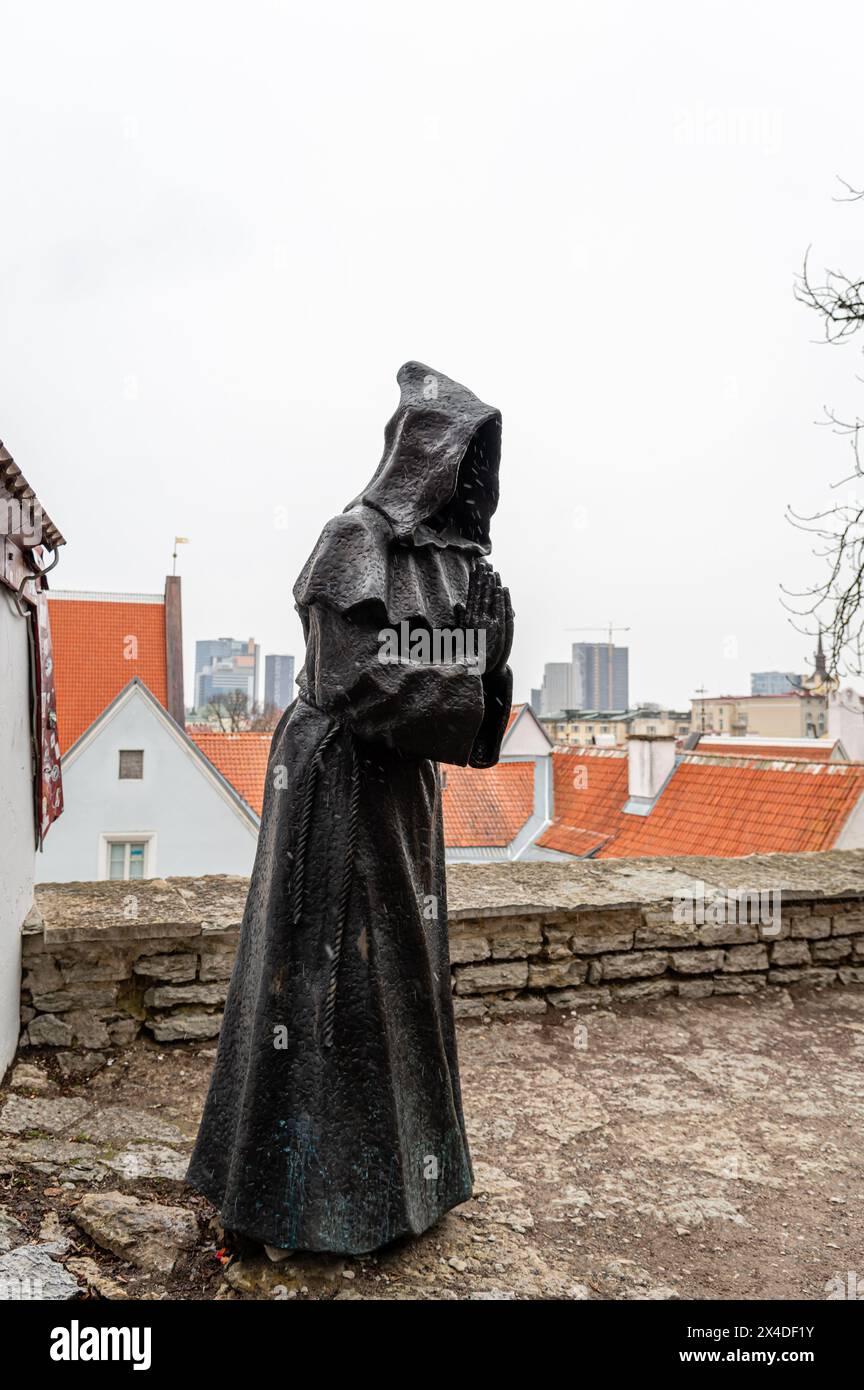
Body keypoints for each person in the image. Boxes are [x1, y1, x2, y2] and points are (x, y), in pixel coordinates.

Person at [187, 361, 514, 1255]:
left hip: (401, 795)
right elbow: (353, 675)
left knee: (398, 978)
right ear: (426, 456)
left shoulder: (452, 565)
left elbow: (462, 709)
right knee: (325, 985)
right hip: (334, 787)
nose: (473, 482)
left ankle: (403, 1188)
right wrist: (462, 668)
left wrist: (485, 662)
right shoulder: (353, 541)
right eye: (463, 458)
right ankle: (293, 1199)